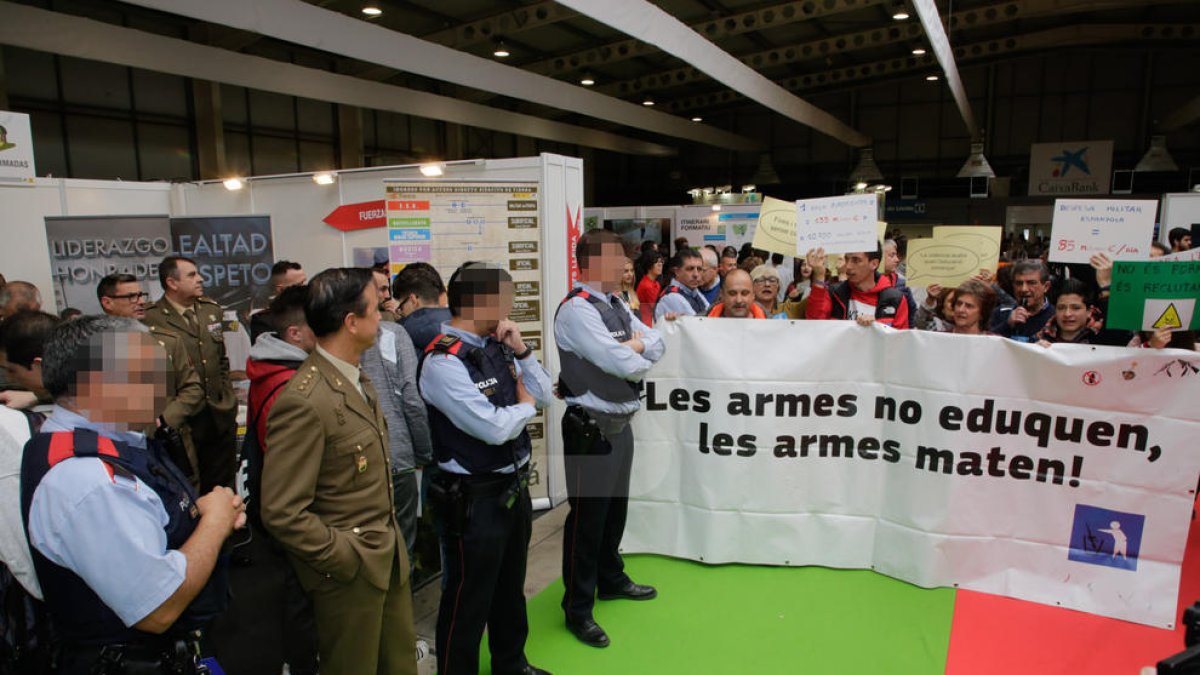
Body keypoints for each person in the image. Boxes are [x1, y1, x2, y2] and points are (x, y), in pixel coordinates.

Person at [21, 315, 243, 675]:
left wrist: (199, 516)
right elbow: (157, 608)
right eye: (145, 376)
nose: (162, 389)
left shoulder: (108, 444)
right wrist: (215, 523)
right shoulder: (89, 480)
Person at [260, 268, 417, 675]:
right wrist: (346, 558)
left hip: (386, 561)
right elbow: (281, 511)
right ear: (352, 322)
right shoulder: (306, 401)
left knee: (397, 665)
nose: (383, 315)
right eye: (375, 308)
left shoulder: (355, 379)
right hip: (348, 576)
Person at [420, 264, 553, 675]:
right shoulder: (442, 361)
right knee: (467, 597)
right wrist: (525, 406)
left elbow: (548, 392)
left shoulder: (497, 343)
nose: (510, 308)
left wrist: (524, 352)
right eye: (505, 299)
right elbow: (492, 428)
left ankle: (511, 663)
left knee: (509, 588)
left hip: (511, 487)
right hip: (472, 499)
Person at [555, 230, 664, 649]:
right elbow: (625, 363)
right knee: (587, 520)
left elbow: (655, 344)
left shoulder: (616, 303)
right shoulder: (577, 310)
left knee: (615, 510)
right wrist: (634, 350)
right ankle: (578, 608)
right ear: (591, 262)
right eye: (616, 257)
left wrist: (632, 348)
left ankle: (611, 579)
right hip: (590, 426)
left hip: (620, 423)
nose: (623, 266)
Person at [238, 285, 319, 675]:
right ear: (295, 334)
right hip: (298, 523)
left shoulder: (275, 370)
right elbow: (294, 471)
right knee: (301, 603)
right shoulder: (289, 386)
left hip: (282, 518)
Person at [98, 273, 206, 485]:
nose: (140, 301)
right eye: (131, 297)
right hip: (114, 446)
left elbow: (192, 388)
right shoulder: (92, 345)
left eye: (141, 295)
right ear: (107, 302)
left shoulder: (168, 341)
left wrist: (164, 419)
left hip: (167, 443)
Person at [142, 256, 238, 492]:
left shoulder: (210, 310)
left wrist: (226, 395)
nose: (200, 279)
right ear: (172, 283)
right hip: (184, 417)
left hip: (218, 412)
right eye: (192, 275)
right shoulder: (151, 318)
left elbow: (220, 358)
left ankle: (233, 527)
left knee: (225, 484)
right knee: (192, 485)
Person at [361, 272, 432, 559]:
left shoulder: (394, 332)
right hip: (399, 457)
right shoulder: (393, 334)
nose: (385, 297)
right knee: (402, 544)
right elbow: (412, 400)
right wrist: (424, 452)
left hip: (373, 463)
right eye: (379, 290)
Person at [805, 245, 910, 328]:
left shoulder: (896, 300)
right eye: (847, 259)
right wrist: (819, 275)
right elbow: (814, 324)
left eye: (856, 260)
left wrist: (877, 327)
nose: (848, 266)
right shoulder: (834, 293)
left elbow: (899, 344)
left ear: (874, 264)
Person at [989, 259, 1055, 342]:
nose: (1024, 289)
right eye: (1019, 283)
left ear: (1046, 286)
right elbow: (986, 344)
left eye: (1031, 283)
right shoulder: (1001, 313)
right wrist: (1007, 325)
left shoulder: (1054, 317)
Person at [395, 265, 451, 353]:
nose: (401, 313)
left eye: (401, 307)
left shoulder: (401, 335)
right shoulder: (462, 326)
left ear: (413, 300)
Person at [251, 260, 307, 342]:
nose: (304, 288)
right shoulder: (264, 320)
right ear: (281, 289)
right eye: (299, 285)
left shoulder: (311, 310)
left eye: (304, 282)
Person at [655, 248, 709, 321]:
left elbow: (711, 315)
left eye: (699, 269)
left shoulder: (692, 290)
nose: (696, 274)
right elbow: (698, 324)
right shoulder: (672, 297)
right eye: (690, 269)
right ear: (677, 272)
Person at [634, 250, 663, 325]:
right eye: (657, 262)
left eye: (661, 262)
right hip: (647, 322)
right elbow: (657, 309)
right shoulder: (647, 285)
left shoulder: (655, 283)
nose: (660, 265)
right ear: (649, 265)